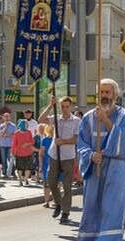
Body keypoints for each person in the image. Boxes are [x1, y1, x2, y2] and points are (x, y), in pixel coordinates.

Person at [76, 78, 125, 240]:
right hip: (94, 169)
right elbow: (81, 143)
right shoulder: (88, 118)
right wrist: (90, 155)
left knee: (112, 207)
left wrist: (106, 120)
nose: (104, 96)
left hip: (115, 170)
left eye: (107, 92)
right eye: (101, 92)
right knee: (92, 207)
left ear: (115, 94)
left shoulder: (124, 116)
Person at [39, 95, 80, 224]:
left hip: (68, 156)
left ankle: (65, 212)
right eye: (62, 106)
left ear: (71, 107)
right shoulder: (56, 118)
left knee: (67, 186)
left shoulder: (77, 121)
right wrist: (51, 105)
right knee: (51, 181)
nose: (65, 109)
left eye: (67, 106)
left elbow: (77, 139)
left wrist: (64, 141)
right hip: (54, 155)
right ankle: (58, 203)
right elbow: (41, 119)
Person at [12, 119, 35, 186]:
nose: (27, 126)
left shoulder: (29, 132)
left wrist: (26, 144)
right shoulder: (16, 133)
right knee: (19, 168)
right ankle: (20, 180)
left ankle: (25, 179)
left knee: (28, 167)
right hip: (19, 153)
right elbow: (14, 143)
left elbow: (32, 141)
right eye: (26, 124)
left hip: (28, 152)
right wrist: (13, 152)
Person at [39, 124, 54, 208]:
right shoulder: (45, 140)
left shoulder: (58, 140)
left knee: (57, 183)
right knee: (46, 183)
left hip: (56, 164)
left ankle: (55, 200)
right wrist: (41, 166)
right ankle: (47, 201)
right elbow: (41, 154)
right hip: (46, 164)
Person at [0, 113, 16, 178]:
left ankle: (12, 172)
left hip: (10, 145)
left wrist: (8, 135)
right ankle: (5, 173)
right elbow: (0, 135)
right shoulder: (1, 126)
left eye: (8, 116)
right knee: (3, 160)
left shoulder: (13, 126)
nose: (6, 118)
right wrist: (5, 126)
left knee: (10, 159)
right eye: (5, 116)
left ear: (10, 117)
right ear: (3, 117)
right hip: (3, 145)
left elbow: (15, 136)